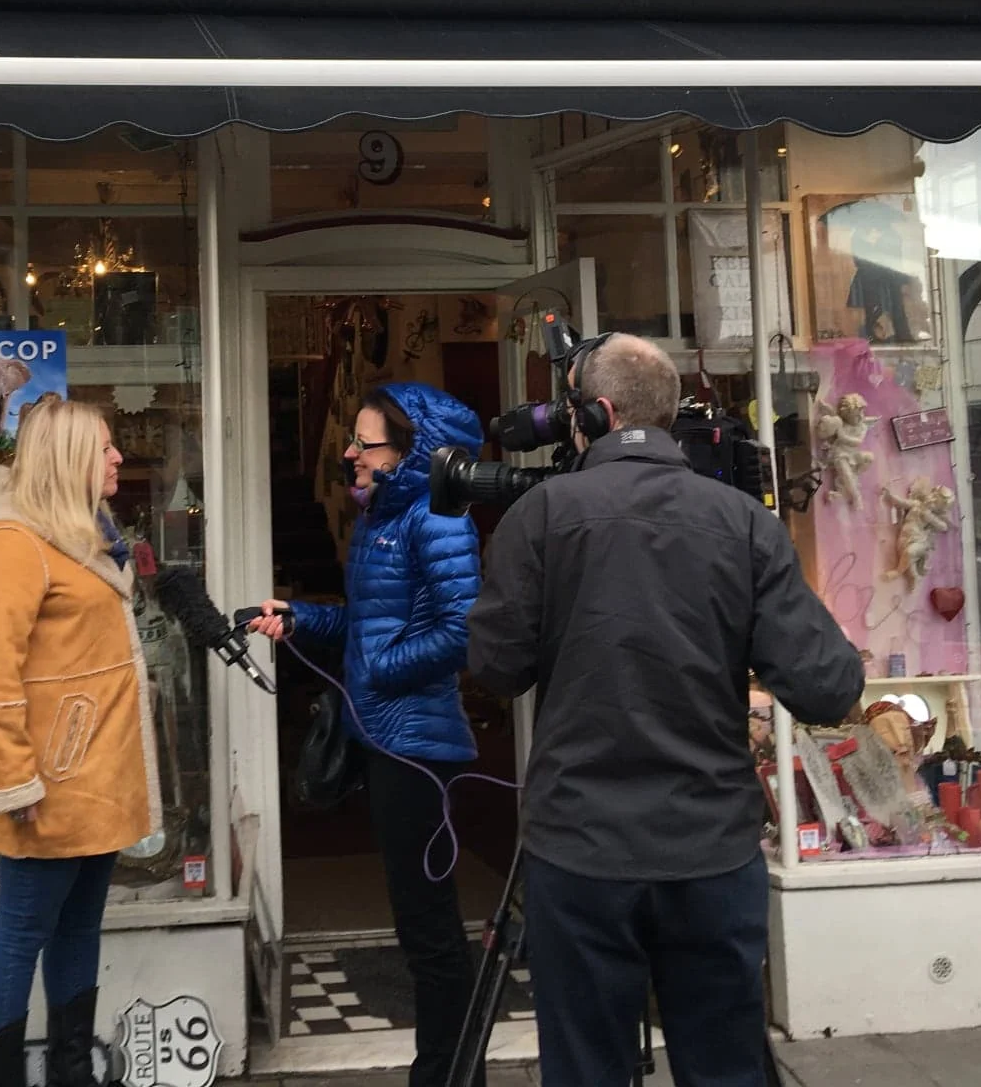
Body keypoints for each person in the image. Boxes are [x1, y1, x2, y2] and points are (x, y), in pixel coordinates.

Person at [468, 335, 865, 1087]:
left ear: (597, 412)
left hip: (581, 852)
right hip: (710, 852)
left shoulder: (543, 514)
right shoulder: (743, 523)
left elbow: (495, 668)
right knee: (724, 1068)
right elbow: (825, 686)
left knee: (588, 1069)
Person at [248, 383, 487, 1087]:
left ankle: (446, 1076)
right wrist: (298, 619)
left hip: (417, 749)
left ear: (411, 454)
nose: (349, 453)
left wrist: (381, 670)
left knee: (432, 932)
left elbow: (460, 630)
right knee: (418, 928)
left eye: (365, 442)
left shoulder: (437, 518)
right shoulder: (383, 520)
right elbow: (367, 626)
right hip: (387, 739)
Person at [0, 398, 161, 1087]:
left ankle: (71, 1071)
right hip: (47, 786)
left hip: (97, 782)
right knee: (21, 934)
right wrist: (14, 782)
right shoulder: (14, 544)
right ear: (68, 457)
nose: (117, 458)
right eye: (104, 448)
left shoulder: (84, 535)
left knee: (77, 931)